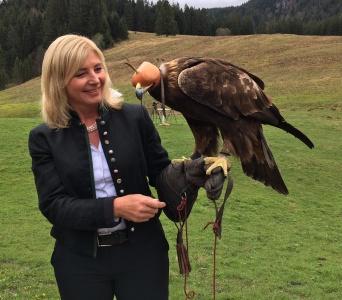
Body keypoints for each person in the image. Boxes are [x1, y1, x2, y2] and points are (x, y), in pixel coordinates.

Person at [28, 34, 225, 300]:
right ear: (59, 80)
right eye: (80, 73)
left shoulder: (134, 117)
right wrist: (116, 207)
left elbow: (161, 173)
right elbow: (54, 205)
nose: (94, 79)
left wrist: (190, 178)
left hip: (142, 255)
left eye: (98, 68)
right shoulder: (44, 137)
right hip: (80, 261)